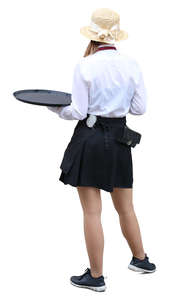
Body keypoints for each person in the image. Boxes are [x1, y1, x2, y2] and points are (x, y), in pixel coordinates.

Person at [47, 7, 156, 292]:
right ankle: (141, 259)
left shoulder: (85, 66)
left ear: (92, 36)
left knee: (92, 212)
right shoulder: (132, 64)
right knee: (126, 207)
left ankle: (96, 277)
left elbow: (78, 111)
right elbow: (140, 109)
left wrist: (56, 108)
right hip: (120, 138)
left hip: (91, 139)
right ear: (114, 36)